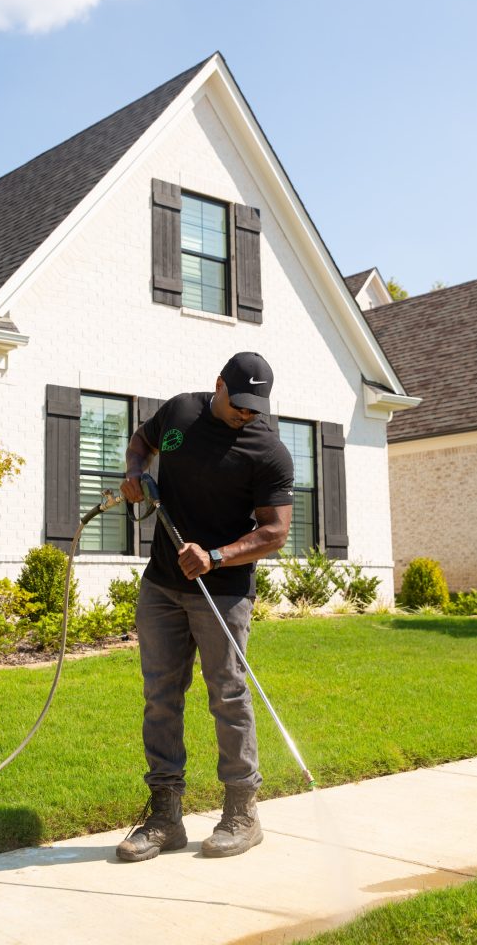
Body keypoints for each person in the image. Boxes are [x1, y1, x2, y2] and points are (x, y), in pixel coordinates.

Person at [117, 351, 294, 862]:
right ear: (218, 385)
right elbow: (142, 441)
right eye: (238, 404)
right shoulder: (180, 411)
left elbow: (275, 531)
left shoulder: (268, 451)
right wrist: (135, 474)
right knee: (161, 697)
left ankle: (242, 812)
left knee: (228, 695)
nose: (246, 414)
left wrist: (216, 556)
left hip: (223, 592)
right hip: (162, 586)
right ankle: (164, 817)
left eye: (254, 408)